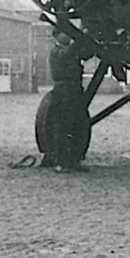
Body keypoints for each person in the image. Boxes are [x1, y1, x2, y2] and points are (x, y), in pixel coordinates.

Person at [46, 32, 88, 172]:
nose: (68, 36)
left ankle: (74, 160)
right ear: (56, 36)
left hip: (75, 90)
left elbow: (86, 54)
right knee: (62, 126)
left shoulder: (69, 51)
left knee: (78, 125)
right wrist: (83, 35)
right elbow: (68, 52)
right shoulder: (56, 52)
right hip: (63, 91)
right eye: (65, 33)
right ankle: (60, 162)